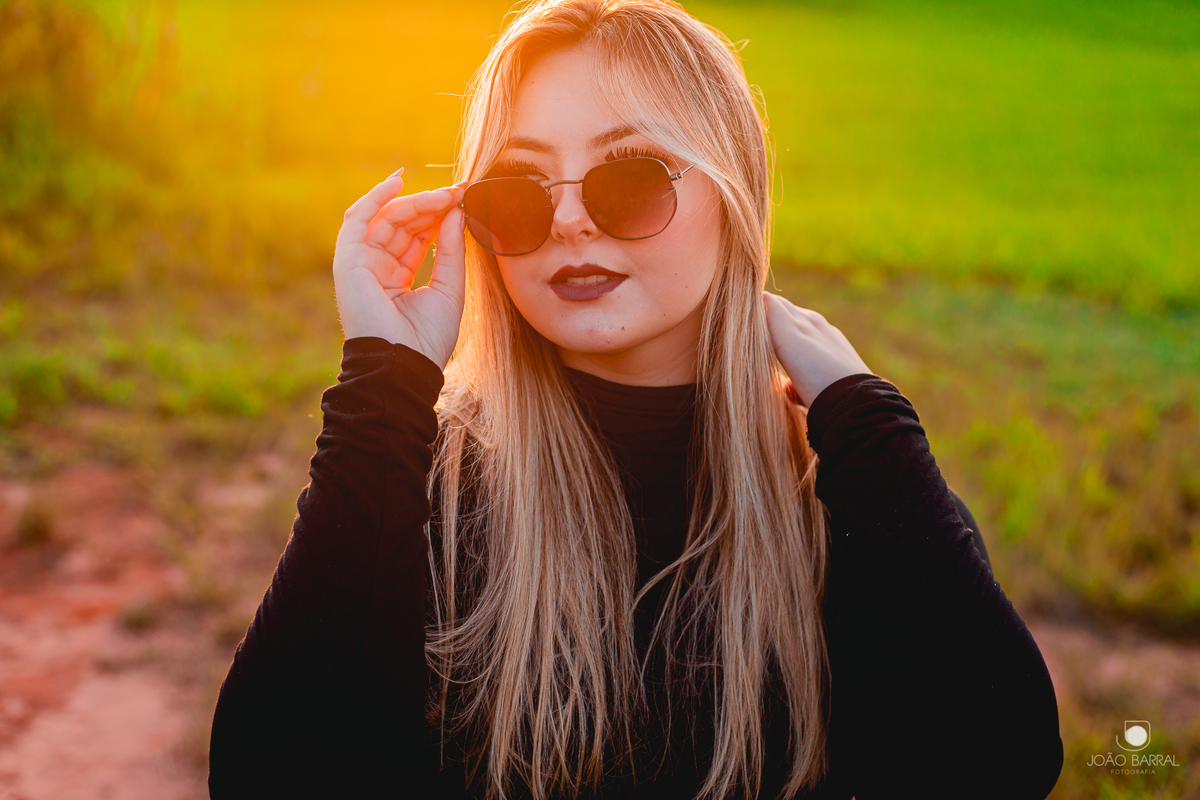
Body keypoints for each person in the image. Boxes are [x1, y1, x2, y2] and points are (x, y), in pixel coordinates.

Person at [207, 1, 1064, 798]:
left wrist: (870, 426)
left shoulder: (845, 490)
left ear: (733, 196)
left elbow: (1001, 759)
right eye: (520, 190)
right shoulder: (428, 484)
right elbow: (269, 770)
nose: (572, 222)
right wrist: (383, 390)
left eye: (629, 177)